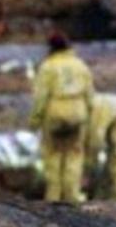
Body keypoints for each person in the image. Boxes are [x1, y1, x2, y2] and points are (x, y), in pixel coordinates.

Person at [29, 32, 94, 204]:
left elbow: (41, 96)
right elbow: (90, 94)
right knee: (74, 154)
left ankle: (53, 197)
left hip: (55, 111)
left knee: (53, 154)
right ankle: (72, 196)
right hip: (77, 111)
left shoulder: (48, 66)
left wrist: (35, 120)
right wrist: (89, 114)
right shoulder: (80, 65)